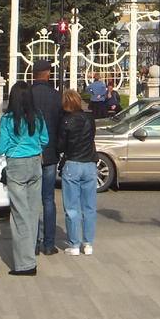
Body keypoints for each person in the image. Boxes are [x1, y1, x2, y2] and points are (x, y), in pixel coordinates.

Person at [0, 81, 48, 276]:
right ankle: (31, 252)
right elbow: (45, 140)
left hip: (17, 164)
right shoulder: (38, 116)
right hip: (35, 163)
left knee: (19, 214)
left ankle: (25, 263)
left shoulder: (8, 119)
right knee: (33, 211)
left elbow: (1, 147)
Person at [58, 88, 97, 256]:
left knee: (72, 207)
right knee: (89, 208)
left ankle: (74, 245)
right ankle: (88, 244)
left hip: (73, 163)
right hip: (89, 163)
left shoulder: (65, 121)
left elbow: (60, 145)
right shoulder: (90, 119)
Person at [29, 60, 62, 255]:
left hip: (31, 151)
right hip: (49, 153)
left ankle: (33, 243)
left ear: (34, 73)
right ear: (48, 73)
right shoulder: (56, 96)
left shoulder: (28, 95)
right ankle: (49, 244)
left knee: (32, 199)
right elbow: (59, 124)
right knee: (48, 199)